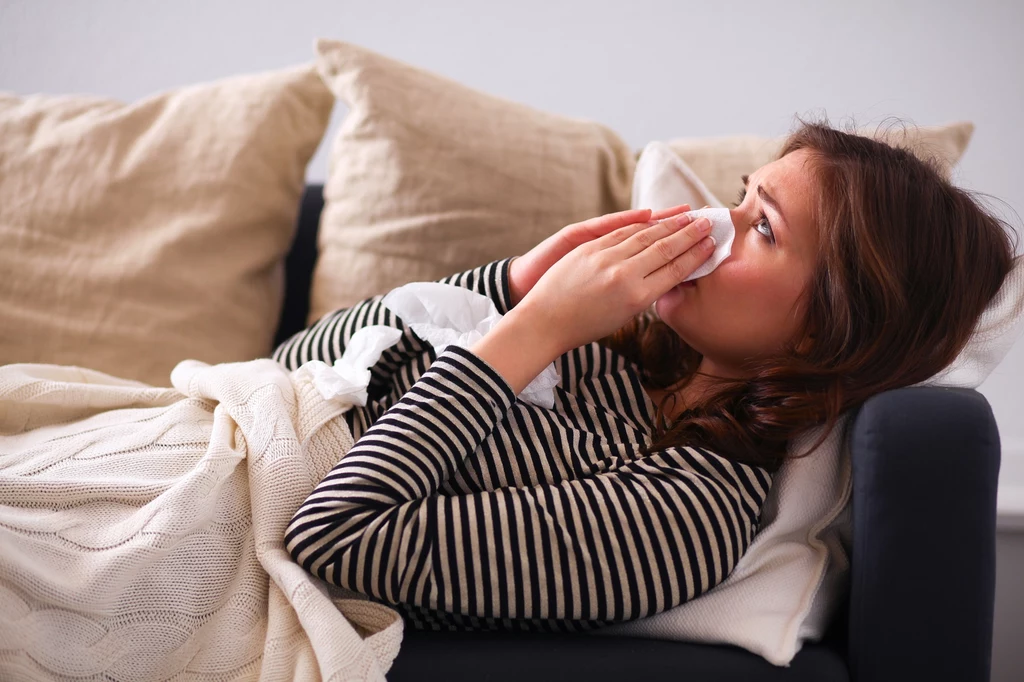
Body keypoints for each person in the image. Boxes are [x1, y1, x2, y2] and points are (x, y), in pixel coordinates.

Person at [272, 118, 1018, 633]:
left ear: (829, 325)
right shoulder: (611, 353)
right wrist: (516, 286)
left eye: (762, 228)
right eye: (740, 195)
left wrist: (531, 330)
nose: (707, 225)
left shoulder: (689, 511)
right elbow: (295, 367)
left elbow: (334, 537)